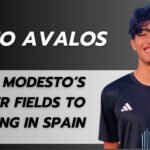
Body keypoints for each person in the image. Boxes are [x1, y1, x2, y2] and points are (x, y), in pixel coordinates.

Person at [99, 4, 150, 149]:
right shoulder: (113, 92)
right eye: (142, 34)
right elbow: (111, 146)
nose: (149, 40)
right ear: (133, 44)